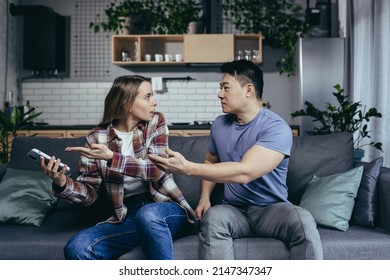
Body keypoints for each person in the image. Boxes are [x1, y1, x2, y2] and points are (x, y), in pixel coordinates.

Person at [148, 60, 323, 260]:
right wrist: (205, 196)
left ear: (248, 90)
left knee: (303, 220)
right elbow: (210, 161)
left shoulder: (275, 128)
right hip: (234, 210)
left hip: (271, 210)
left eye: (225, 88)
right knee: (213, 218)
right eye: (220, 88)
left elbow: (245, 172)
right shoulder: (220, 124)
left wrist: (187, 168)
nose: (220, 94)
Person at [39, 75, 196, 260]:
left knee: (148, 214)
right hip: (126, 215)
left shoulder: (155, 123)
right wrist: (62, 182)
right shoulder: (96, 138)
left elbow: (157, 170)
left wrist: (112, 157)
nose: (155, 102)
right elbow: (90, 195)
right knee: (77, 248)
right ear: (127, 103)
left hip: (164, 208)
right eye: (147, 97)